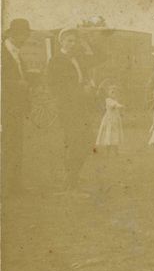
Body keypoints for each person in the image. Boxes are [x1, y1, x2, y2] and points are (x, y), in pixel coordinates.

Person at [48, 28, 98, 193]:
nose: (72, 44)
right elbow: (56, 86)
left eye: (75, 40)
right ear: (61, 41)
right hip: (68, 108)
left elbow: (101, 57)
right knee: (74, 141)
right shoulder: (56, 60)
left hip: (81, 107)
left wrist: (86, 42)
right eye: (69, 40)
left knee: (87, 141)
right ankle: (70, 180)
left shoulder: (79, 58)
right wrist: (80, 91)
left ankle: (73, 176)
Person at [2, 18, 32, 193]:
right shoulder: (3, 52)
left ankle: (14, 185)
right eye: (22, 34)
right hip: (4, 106)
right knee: (8, 145)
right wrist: (16, 84)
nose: (25, 38)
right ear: (13, 34)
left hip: (16, 106)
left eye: (26, 34)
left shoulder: (16, 52)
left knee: (15, 144)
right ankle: (8, 186)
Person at [95, 85, 124, 156]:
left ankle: (116, 151)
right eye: (112, 92)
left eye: (115, 93)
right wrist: (121, 106)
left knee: (115, 134)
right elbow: (114, 105)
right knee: (109, 134)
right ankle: (108, 151)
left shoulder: (115, 100)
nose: (114, 94)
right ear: (108, 93)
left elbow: (116, 106)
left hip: (115, 119)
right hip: (109, 119)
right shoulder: (108, 100)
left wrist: (120, 111)